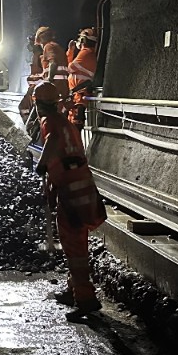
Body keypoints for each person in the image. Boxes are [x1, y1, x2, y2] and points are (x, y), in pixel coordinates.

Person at [33, 82, 106, 314]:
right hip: (81, 188)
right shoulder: (65, 121)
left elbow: (53, 142)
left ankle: (85, 299)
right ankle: (73, 288)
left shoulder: (49, 122)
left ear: (38, 103)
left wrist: (42, 165)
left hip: (70, 194)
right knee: (77, 241)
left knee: (73, 245)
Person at [65, 27, 100, 130]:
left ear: (84, 40)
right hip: (76, 95)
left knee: (74, 127)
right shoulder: (88, 53)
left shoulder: (86, 53)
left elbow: (69, 68)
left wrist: (70, 52)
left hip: (79, 95)